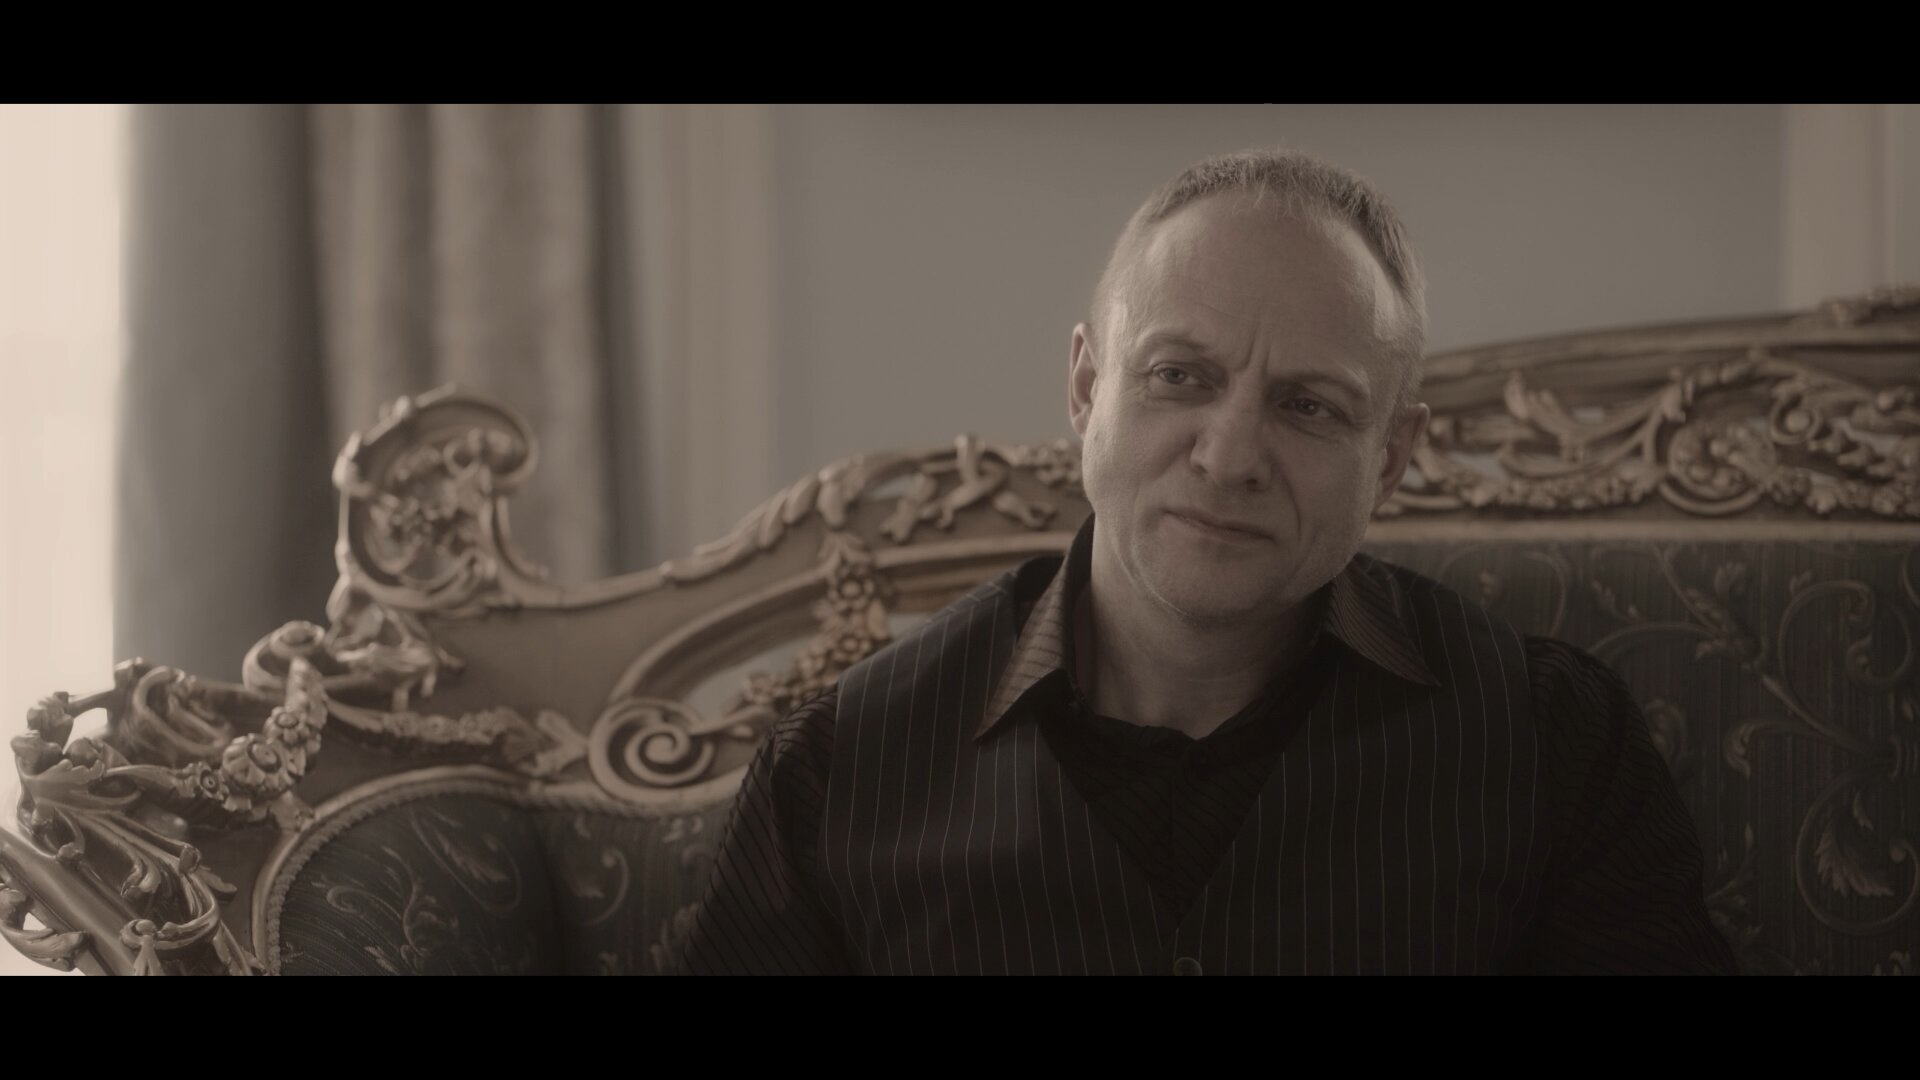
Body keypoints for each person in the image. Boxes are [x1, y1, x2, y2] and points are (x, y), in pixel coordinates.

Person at [678, 149, 1739, 975]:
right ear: (1086, 389)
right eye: (1179, 376)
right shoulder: (839, 766)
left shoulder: (1550, 740)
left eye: (1308, 406)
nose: (1230, 457)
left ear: (1391, 457)